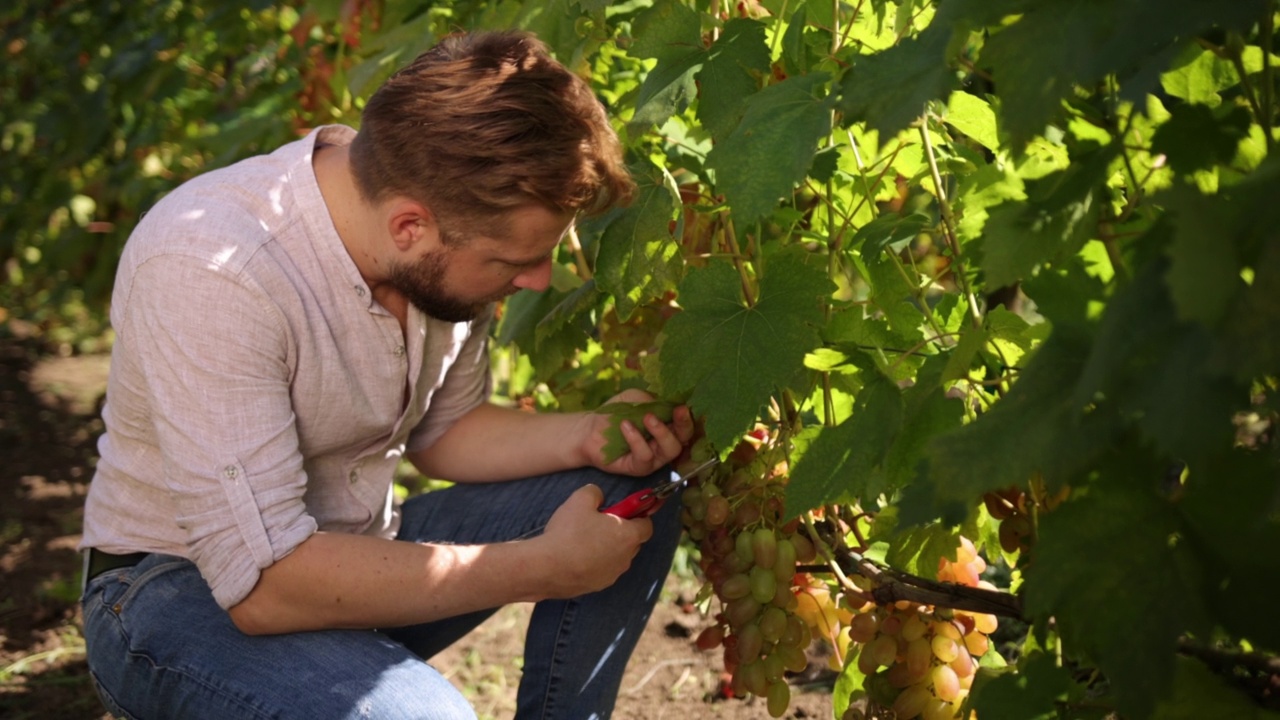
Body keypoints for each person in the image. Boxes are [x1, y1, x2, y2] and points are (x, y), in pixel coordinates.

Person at [78, 30, 694, 720]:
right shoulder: (213, 266)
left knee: (627, 487)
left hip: (359, 549)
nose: (537, 279)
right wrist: (544, 567)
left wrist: (590, 436)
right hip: (176, 596)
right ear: (410, 226)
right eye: (510, 260)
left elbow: (445, 431)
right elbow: (264, 587)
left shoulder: (444, 237)